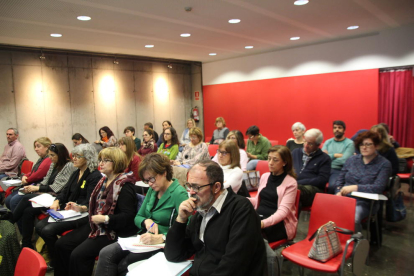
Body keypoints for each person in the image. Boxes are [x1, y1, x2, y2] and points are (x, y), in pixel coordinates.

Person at [164, 160, 266, 276]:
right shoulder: (200, 213)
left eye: (197, 187)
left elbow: (233, 266)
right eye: (189, 186)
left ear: (216, 187)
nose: (191, 192)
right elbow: (173, 255)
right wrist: (180, 220)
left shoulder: (241, 210)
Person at [95, 153, 188, 276]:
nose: (149, 183)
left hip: (164, 244)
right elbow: (138, 217)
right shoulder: (153, 190)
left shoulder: (178, 193)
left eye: (152, 178)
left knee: (123, 265)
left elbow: (187, 229)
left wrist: (163, 237)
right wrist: (146, 221)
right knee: (106, 253)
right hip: (144, 239)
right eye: (146, 180)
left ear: (164, 172)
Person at [54, 147, 138, 276]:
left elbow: (128, 217)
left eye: (105, 160)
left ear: (117, 162)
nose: (101, 163)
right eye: (100, 160)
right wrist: (81, 208)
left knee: (78, 255)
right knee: (62, 244)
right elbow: (96, 205)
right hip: (98, 225)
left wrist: (106, 219)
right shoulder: (103, 181)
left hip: (113, 231)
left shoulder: (125, 186)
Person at [35, 143, 102, 270]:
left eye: (78, 156)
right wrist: (56, 201)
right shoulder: (76, 173)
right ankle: (58, 258)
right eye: (73, 156)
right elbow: (65, 192)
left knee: (48, 231)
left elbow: (90, 202)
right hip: (69, 211)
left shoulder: (94, 176)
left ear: (87, 158)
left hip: (82, 213)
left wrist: (78, 206)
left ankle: (59, 261)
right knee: (39, 227)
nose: (74, 159)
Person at [9, 143, 75, 249]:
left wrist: (37, 188)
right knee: (27, 211)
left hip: (58, 198)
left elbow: (57, 187)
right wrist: (34, 187)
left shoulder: (69, 165)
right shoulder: (54, 164)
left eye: (53, 155)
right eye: (49, 155)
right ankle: (26, 244)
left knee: (26, 198)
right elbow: (45, 181)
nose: (50, 158)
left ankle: (10, 221)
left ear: (61, 154)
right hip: (47, 195)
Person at [249, 145, 298, 273]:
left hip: (279, 224)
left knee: (248, 235)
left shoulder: (290, 183)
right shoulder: (265, 176)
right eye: (269, 158)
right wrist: (242, 199)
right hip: (260, 219)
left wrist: (262, 223)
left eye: (275, 160)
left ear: (285, 162)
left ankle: (268, 267)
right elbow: (259, 201)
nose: (270, 163)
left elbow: (283, 212)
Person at [335, 131, 392, 232]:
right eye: (361, 144)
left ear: (376, 146)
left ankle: (354, 243)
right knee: (327, 213)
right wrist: (338, 191)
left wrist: (355, 187)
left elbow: (378, 187)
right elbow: (340, 179)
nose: (364, 147)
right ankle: (333, 242)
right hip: (344, 198)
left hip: (366, 202)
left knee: (352, 218)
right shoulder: (352, 160)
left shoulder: (384, 164)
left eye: (368, 144)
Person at [5, 137, 52, 211]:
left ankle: (19, 221)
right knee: (8, 200)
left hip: (38, 187)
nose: (36, 149)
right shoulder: (41, 159)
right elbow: (33, 171)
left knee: (14, 201)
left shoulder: (48, 159)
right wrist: (25, 176)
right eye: (35, 146)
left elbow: (37, 175)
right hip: (32, 184)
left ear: (47, 147)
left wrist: (26, 180)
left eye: (38, 146)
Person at [292, 129, 331, 207]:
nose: (306, 145)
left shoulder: (325, 158)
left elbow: (322, 180)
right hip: (294, 185)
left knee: (293, 191)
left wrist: (298, 182)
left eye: (310, 144)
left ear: (318, 145)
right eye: (305, 141)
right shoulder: (295, 152)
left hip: (313, 188)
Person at [322, 120, 355, 194]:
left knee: (333, 186)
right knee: (314, 183)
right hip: (325, 168)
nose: (337, 129)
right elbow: (322, 158)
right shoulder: (328, 142)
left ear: (344, 130)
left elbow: (344, 160)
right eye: (335, 127)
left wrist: (328, 156)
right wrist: (335, 155)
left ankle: (330, 203)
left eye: (339, 128)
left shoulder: (350, 143)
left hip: (338, 170)